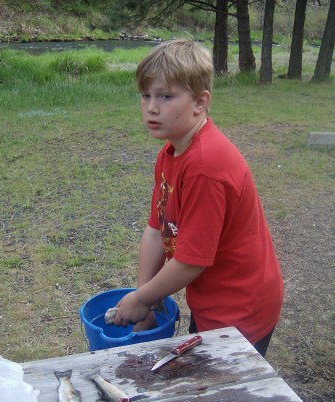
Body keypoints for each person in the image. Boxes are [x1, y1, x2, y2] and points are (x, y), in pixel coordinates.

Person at [113, 38, 283, 357]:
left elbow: (191, 262)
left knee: (222, 401)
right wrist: (143, 296)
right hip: (212, 299)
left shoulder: (207, 167)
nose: (151, 107)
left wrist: (142, 300)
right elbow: (155, 230)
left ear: (200, 103)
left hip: (240, 308)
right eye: (145, 95)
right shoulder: (171, 152)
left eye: (165, 96)